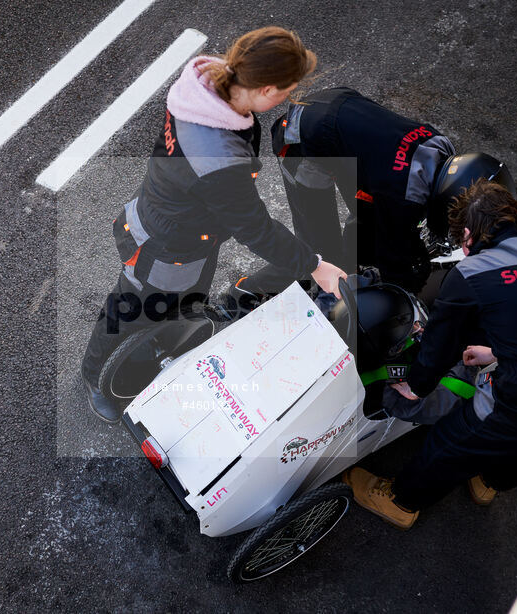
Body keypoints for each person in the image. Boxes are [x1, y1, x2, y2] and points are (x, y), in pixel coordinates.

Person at [80, 27, 348, 423]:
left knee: (180, 302)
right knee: (133, 306)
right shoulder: (218, 157)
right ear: (267, 89)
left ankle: (164, 340)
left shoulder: (211, 87)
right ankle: (93, 378)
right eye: (288, 90)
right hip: (168, 246)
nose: (289, 98)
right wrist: (315, 265)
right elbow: (255, 228)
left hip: (188, 223)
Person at [343, 179, 517, 529]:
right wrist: (496, 352)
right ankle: (488, 483)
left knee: (449, 441)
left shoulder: (470, 274)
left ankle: (401, 502)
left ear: (469, 233)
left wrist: (417, 386)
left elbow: (438, 346)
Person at [229, 87, 514, 308]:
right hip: (301, 139)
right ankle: (246, 291)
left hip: (340, 117)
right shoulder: (402, 194)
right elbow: (397, 259)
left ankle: (351, 260)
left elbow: (388, 225)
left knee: (366, 228)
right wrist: (410, 290)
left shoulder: (441, 149)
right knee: (319, 253)